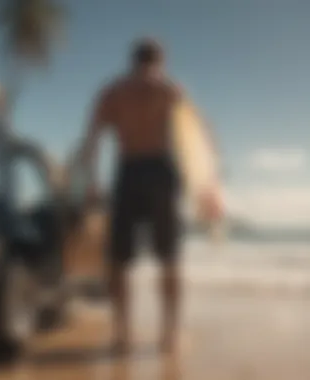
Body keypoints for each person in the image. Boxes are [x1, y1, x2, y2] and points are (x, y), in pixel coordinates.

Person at [76, 38, 219, 353]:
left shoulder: (112, 92)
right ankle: (169, 334)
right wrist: (208, 184)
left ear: (132, 60)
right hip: (161, 173)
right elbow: (199, 132)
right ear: (161, 60)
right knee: (169, 258)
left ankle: (122, 334)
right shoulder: (169, 88)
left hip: (128, 172)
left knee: (118, 260)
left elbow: (92, 139)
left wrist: (91, 182)